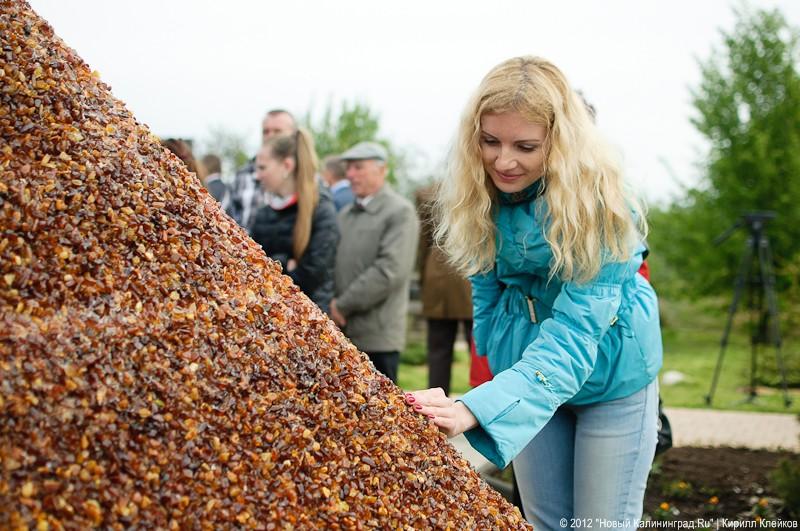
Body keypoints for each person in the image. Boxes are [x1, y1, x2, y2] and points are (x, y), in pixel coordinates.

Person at [405, 56, 662, 529]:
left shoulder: (602, 206)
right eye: (490, 141)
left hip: (613, 379)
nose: (504, 161)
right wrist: (490, 387)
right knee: (545, 522)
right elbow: (487, 299)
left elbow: (575, 334)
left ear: (561, 143)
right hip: (527, 374)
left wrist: (475, 408)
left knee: (599, 523)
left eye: (525, 146)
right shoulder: (475, 196)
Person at [330, 142, 418, 383]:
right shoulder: (345, 214)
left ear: (382, 170)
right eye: (348, 168)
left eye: (358, 167)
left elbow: (389, 271)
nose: (350, 175)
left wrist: (342, 306)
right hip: (342, 331)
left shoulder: (399, 212)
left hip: (378, 336)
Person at [249, 129, 339, 314]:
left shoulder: (321, 211)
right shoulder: (263, 214)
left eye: (262, 168)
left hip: (309, 320)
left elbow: (313, 274)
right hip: (268, 317)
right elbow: (251, 267)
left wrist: (273, 267)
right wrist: (284, 262)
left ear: (287, 166)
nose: (257, 176)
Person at [415, 182, 472, 396]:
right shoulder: (478, 188)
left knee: (438, 351)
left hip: (436, 274)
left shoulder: (428, 194)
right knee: (479, 350)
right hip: (470, 272)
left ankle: (435, 409)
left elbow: (424, 242)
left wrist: (423, 278)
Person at [228, 109, 297, 230]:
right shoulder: (241, 177)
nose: (270, 136)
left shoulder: (306, 178)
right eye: (266, 131)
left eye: (277, 131)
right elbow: (223, 221)